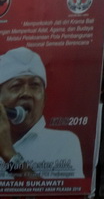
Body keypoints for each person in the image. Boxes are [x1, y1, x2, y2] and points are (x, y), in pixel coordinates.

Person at [0, 47, 84, 180]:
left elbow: (59, 194)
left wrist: (9, 155)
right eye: (16, 86)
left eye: (34, 86)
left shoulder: (64, 142)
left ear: (44, 99)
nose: (26, 93)